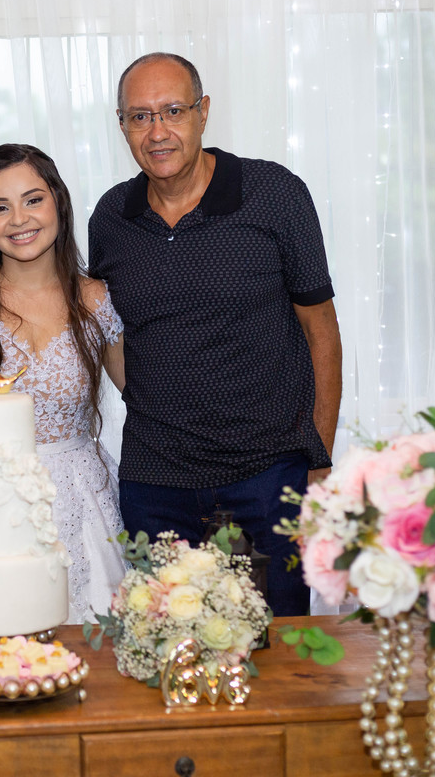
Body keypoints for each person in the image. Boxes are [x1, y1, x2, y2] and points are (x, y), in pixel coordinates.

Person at [88, 53, 342, 618]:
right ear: (122, 125)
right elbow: (111, 334)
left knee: (276, 644)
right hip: (155, 481)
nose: (157, 131)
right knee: (167, 643)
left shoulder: (274, 193)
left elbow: (320, 329)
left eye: (173, 111)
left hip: (268, 474)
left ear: (203, 112)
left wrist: (319, 459)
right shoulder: (111, 217)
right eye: (139, 116)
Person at [0, 143, 126, 624]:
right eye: (0, 207)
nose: (19, 219)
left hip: (84, 497)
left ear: (58, 201)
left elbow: (146, 397)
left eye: (33, 200)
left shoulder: (96, 299)